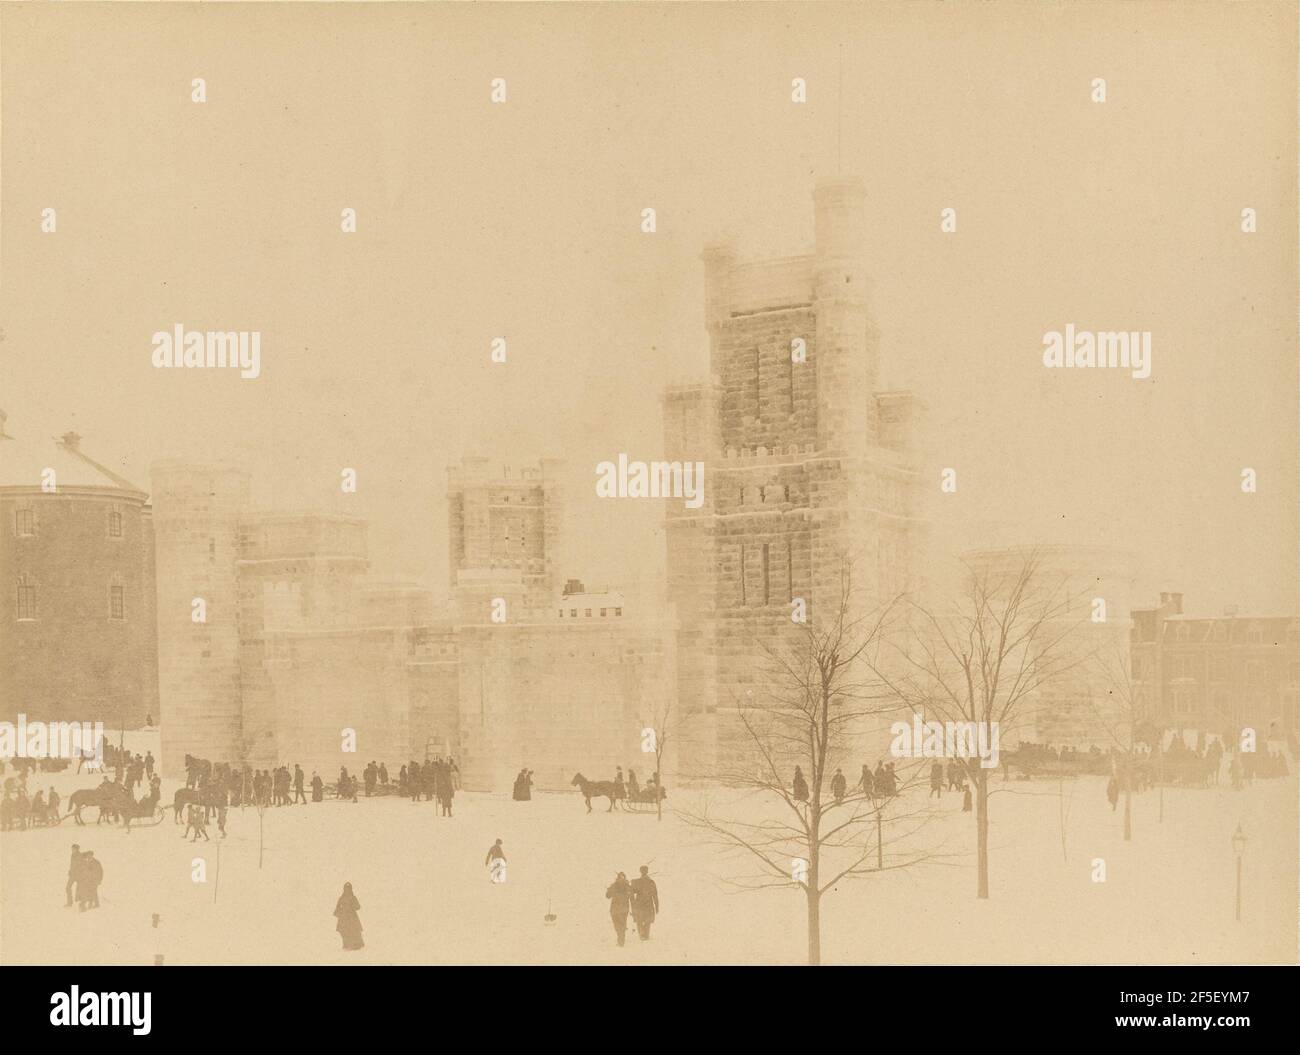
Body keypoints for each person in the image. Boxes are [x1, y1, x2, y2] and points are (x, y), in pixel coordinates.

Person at [630, 865, 659, 941]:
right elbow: (655, 895)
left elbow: (632, 893)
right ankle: (646, 935)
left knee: (639, 920)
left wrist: (633, 904)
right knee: (647, 921)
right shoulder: (651, 882)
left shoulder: (636, 882)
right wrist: (657, 906)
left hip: (639, 904)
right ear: (647, 871)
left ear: (640, 871)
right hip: (648, 904)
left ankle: (642, 934)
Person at [334, 883, 364, 950]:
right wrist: (339, 913)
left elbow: (357, 906)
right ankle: (348, 944)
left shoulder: (351, 897)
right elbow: (338, 908)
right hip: (346, 918)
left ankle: (354, 945)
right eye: (346, 889)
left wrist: (350, 907)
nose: (347, 890)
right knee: (346, 931)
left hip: (350, 918)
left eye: (348, 889)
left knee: (352, 931)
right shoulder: (343, 898)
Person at [606, 871, 632, 946]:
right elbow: (631, 897)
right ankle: (621, 940)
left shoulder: (614, 885)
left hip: (615, 909)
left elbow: (607, 896)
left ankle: (620, 939)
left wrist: (609, 889)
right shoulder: (627, 886)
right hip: (624, 909)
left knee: (617, 925)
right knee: (622, 924)